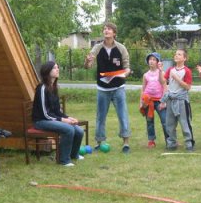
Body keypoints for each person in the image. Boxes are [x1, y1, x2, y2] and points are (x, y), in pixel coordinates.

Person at [84, 22, 132, 153]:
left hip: (118, 87)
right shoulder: (97, 48)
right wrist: (88, 60)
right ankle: (99, 142)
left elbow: (127, 67)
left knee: (123, 116)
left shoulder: (121, 48)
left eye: (109, 29)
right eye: (104, 29)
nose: (106, 31)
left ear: (114, 33)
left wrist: (125, 73)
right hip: (102, 89)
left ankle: (126, 144)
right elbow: (88, 66)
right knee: (100, 117)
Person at [32, 61, 84, 166]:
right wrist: (63, 120)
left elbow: (57, 111)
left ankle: (74, 154)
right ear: (47, 71)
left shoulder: (54, 87)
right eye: (54, 68)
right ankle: (63, 160)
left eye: (57, 67)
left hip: (50, 119)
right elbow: (44, 114)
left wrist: (69, 118)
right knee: (69, 129)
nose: (57, 69)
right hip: (41, 121)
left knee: (79, 130)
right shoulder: (41, 88)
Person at [163, 49, 194, 151]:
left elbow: (188, 87)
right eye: (176, 54)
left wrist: (177, 78)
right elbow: (163, 81)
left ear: (184, 58)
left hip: (181, 101)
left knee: (184, 123)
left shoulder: (187, 71)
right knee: (170, 124)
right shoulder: (170, 69)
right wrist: (159, 71)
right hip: (171, 100)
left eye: (179, 54)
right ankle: (171, 144)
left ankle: (189, 144)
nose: (176, 56)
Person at [139, 52, 168, 148]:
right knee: (149, 121)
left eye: (154, 59)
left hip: (160, 101)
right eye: (150, 59)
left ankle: (169, 140)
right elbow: (143, 89)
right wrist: (141, 102)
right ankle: (151, 140)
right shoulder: (145, 75)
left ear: (158, 62)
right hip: (148, 101)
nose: (151, 61)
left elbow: (165, 87)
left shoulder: (162, 73)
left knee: (165, 120)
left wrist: (164, 101)